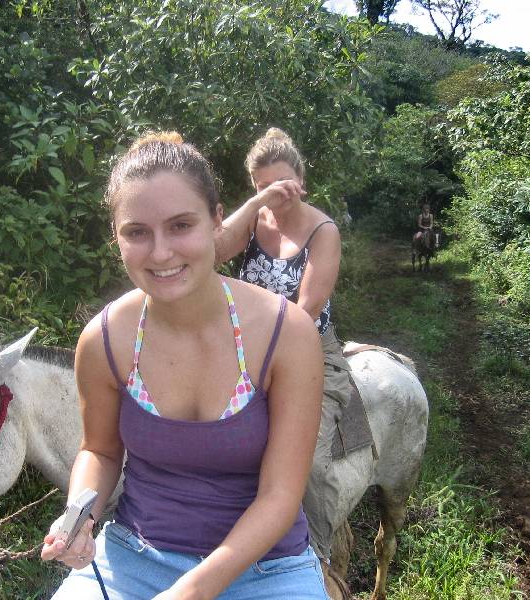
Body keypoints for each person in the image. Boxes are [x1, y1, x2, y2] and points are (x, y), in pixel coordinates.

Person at [41, 132, 329, 600]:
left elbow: (280, 496)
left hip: (266, 570)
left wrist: (188, 594)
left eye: (180, 225)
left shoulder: (286, 333)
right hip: (136, 557)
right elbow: (100, 451)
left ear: (217, 220)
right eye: (137, 232)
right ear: (117, 239)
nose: (160, 253)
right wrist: (80, 514)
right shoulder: (105, 339)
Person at [214, 127, 356, 598]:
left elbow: (305, 313)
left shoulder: (323, 231)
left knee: (308, 462)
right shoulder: (257, 220)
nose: (275, 194)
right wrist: (256, 205)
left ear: (301, 177)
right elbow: (213, 249)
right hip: (241, 351)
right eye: (262, 187)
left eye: (282, 183)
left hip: (307, 353)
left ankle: (315, 557)